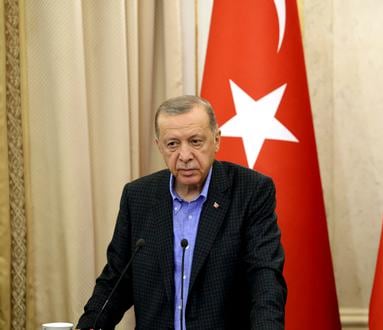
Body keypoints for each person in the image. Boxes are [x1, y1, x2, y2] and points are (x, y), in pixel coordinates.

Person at [77, 95, 287, 329]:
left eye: (195, 141)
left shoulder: (250, 191)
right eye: (173, 144)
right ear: (159, 146)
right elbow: (116, 280)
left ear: (216, 140)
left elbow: (265, 278)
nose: (185, 156)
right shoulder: (138, 196)